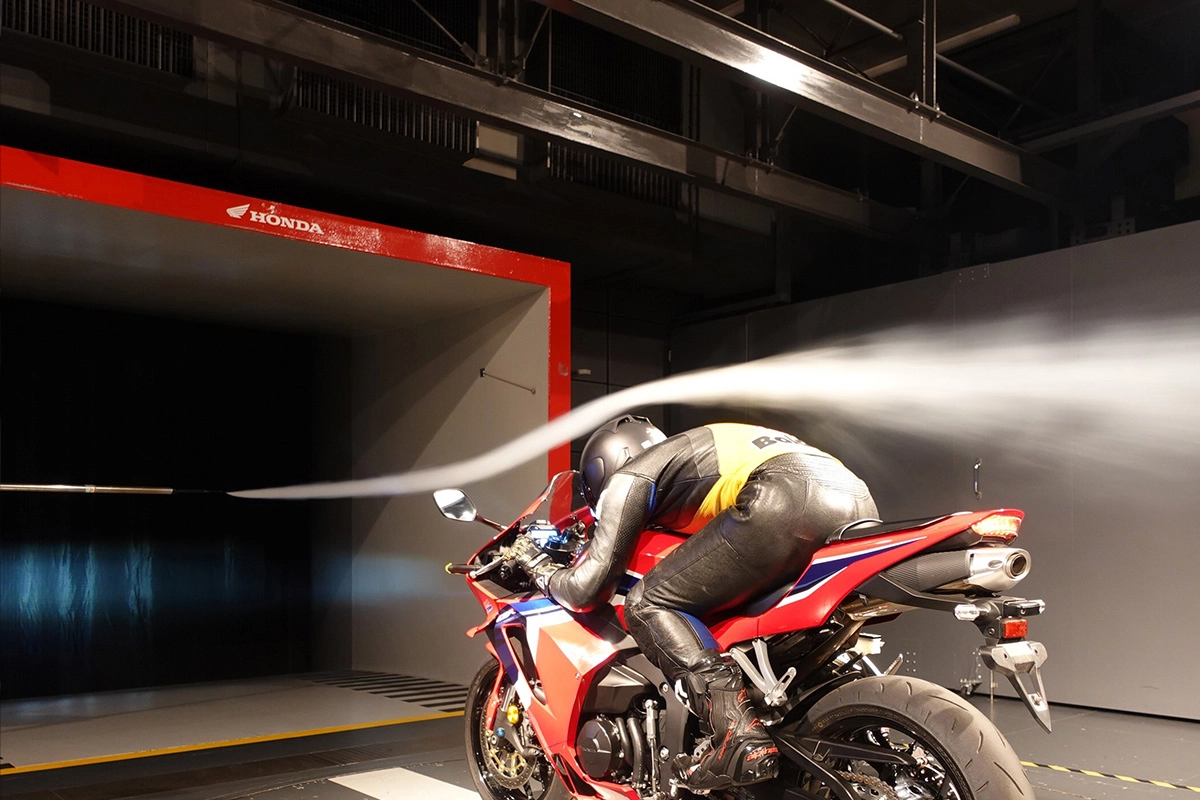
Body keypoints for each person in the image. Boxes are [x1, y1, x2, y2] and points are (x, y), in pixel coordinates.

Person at [511, 416, 879, 792]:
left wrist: (541, 570)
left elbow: (588, 589)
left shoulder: (628, 479)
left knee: (649, 602)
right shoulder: (693, 457)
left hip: (785, 498)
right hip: (856, 500)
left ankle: (735, 733)